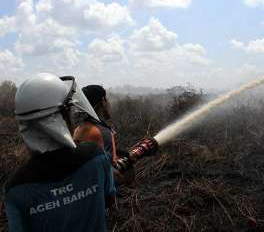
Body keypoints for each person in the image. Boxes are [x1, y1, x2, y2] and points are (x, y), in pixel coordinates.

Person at [4, 73, 157, 232]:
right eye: (68, 112)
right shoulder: (94, 157)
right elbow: (109, 199)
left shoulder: (15, 189)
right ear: (62, 117)